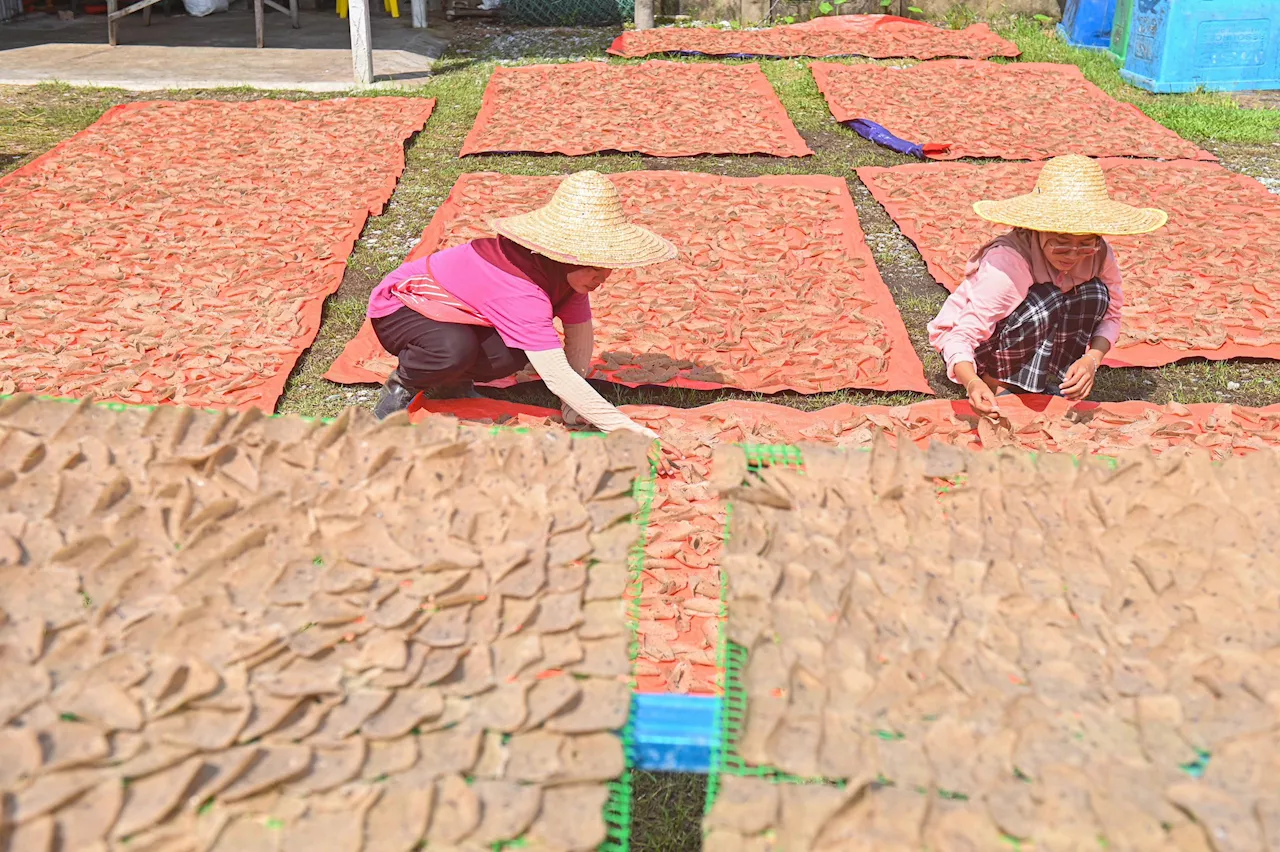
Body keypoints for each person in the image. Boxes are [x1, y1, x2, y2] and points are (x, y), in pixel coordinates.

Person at [366, 170, 677, 439]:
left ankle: (451, 381)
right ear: (565, 255)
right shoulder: (520, 286)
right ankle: (403, 385)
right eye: (593, 267)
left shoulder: (568, 276)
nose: (601, 278)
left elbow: (579, 336)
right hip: (403, 307)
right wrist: (625, 429)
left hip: (461, 316)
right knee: (452, 348)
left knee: (511, 354)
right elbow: (555, 374)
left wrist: (571, 407)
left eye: (605, 266)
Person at [927, 155, 1167, 418]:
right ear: (1038, 230)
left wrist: (1091, 360)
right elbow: (964, 334)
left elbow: (1112, 314)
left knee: (1095, 293)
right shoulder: (1010, 262)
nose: (1073, 254)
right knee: (1047, 298)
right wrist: (973, 381)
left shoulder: (1099, 254)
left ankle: (1048, 377)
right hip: (980, 347)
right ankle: (997, 380)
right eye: (1061, 242)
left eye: (1086, 242)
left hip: (1031, 326)